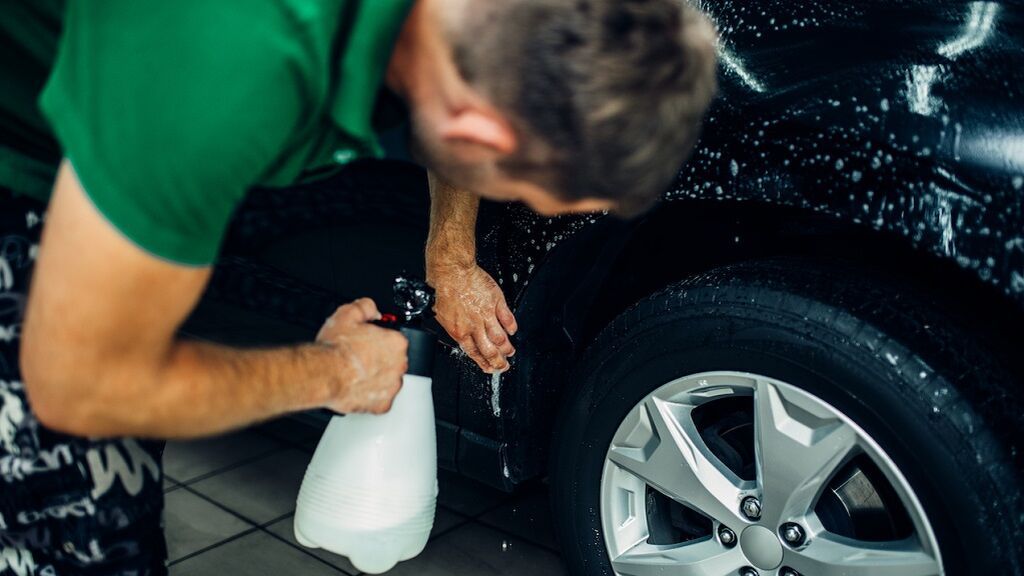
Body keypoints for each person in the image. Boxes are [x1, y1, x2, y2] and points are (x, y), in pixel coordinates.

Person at [0, 0, 718, 573]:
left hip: (144, 112)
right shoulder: (230, 55)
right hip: (22, 147)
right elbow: (81, 384)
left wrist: (452, 256)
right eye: (522, 188)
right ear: (475, 130)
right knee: (83, 531)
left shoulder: (473, 26)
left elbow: (477, 81)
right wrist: (335, 373)